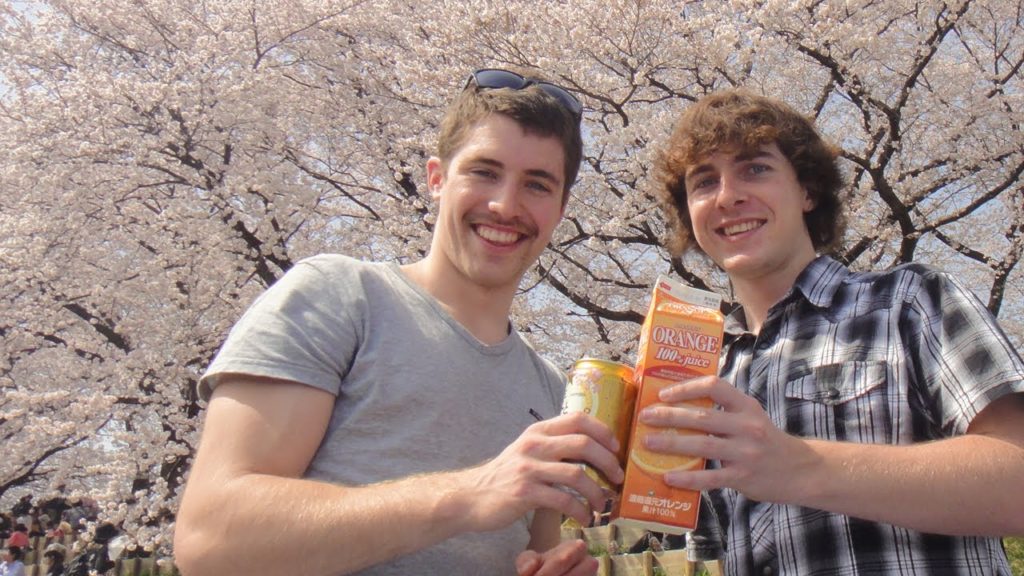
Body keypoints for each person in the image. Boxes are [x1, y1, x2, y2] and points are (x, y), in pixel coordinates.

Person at [174, 67, 624, 576]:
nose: (504, 205)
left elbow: (537, 554)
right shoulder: (339, 297)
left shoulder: (552, 391)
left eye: (537, 185)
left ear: (560, 210)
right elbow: (209, 540)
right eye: (484, 172)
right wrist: (466, 495)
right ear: (436, 179)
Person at [643, 89, 1024, 574]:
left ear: (807, 191)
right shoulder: (703, 374)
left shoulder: (909, 301)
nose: (728, 195)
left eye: (755, 168)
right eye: (703, 182)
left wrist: (802, 467)